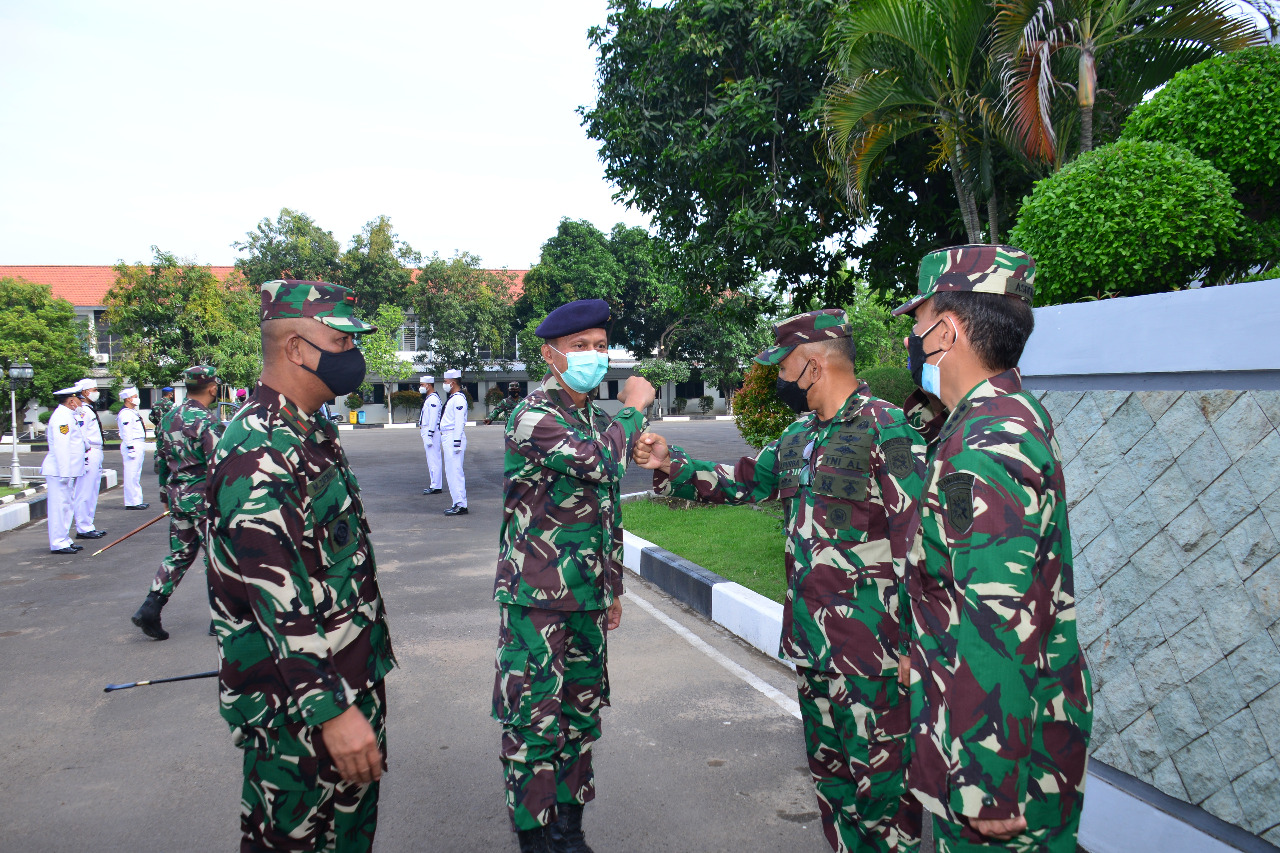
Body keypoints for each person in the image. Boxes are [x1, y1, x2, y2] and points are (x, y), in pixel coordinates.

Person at [634, 309, 926, 853]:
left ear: (813, 365)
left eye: (785, 366)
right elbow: (742, 481)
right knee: (832, 787)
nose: (780, 378)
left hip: (875, 655)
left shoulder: (887, 429)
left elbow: (919, 540)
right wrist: (671, 464)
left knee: (885, 802)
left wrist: (915, 642)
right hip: (812, 647)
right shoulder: (798, 436)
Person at [892, 245, 1092, 852]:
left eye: (918, 323)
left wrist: (988, 782)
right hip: (1001, 729)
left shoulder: (986, 442)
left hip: (998, 755)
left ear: (946, 332)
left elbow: (997, 614)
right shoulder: (1002, 413)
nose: (913, 340)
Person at [207, 279, 394, 853]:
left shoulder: (310, 428)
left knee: (348, 840)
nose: (353, 355)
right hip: (297, 711)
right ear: (294, 348)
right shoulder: (258, 449)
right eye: (341, 342)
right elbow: (277, 598)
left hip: (347, 679)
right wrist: (332, 712)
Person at [492, 297, 656, 853]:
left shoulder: (592, 418)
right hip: (537, 598)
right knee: (534, 722)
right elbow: (603, 463)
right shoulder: (533, 415)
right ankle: (535, 840)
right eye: (580, 346)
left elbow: (607, 511)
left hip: (587, 595)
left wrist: (613, 588)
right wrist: (634, 407)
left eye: (601, 346)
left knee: (580, 718)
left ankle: (568, 831)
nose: (594, 354)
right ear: (550, 354)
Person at [130, 365, 222, 641]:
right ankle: (220, 618)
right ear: (212, 388)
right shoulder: (207, 421)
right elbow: (217, 466)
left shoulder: (169, 417)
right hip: (204, 499)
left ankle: (151, 607)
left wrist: (164, 496)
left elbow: (161, 460)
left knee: (180, 555)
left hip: (177, 496)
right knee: (216, 556)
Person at [41, 387, 86, 554]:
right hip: (60, 471)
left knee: (67, 507)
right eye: (80, 400)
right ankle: (58, 542)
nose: (82, 403)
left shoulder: (68, 415)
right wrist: (65, 473)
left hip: (67, 471)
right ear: (72, 401)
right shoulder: (62, 417)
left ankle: (64, 539)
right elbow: (62, 447)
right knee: (59, 508)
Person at [71, 378, 106, 539]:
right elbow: (81, 434)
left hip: (96, 450)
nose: (96, 392)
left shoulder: (88, 409)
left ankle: (88, 525)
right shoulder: (82, 411)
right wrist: (84, 455)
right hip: (89, 451)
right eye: (94, 389)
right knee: (84, 491)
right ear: (85, 392)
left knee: (92, 491)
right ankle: (83, 527)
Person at [438, 368, 468, 516]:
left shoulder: (459, 399)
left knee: (455, 472)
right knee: (450, 472)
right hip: (448, 436)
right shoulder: (453, 398)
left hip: (453, 437)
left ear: (453, 382)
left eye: (446, 382)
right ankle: (456, 502)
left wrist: (457, 442)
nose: (444, 384)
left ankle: (461, 504)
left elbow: (459, 422)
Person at [116, 386, 149, 510]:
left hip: (137, 443)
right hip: (133, 444)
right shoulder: (125, 414)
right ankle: (131, 502)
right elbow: (126, 432)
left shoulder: (132, 412)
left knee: (136, 474)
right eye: (135, 397)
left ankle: (136, 500)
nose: (137, 399)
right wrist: (130, 447)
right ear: (129, 399)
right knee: (131, 474)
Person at [417, 374, 443, 495]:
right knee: (431, 459)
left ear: (428, 386)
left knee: (434, 459)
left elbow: (433, 419)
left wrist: (430, 434)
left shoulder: (433, 400)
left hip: (431, 431)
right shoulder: (430, 398)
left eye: (422, 385)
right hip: (428, 431)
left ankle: (436, 486)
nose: (420, 387)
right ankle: (434, 484)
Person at [150, 386, 175, 492]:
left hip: (159, 429)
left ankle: (158, 460)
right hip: (169, 429)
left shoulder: (155, 404)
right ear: (169, 394)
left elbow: (151, 417)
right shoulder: (171, 405)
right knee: (169, 446)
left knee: (159, 446)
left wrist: (158, 423)